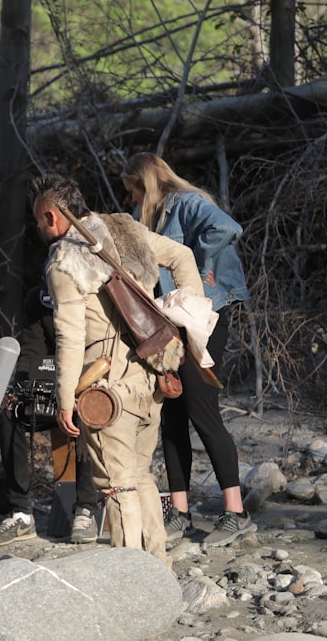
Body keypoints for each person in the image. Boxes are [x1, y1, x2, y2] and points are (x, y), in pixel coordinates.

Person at [31, 173, 204, 564]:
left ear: (53, 217)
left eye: (40, 219)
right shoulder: (125, 228)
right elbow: (183, 257)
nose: (39, 227)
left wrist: (63, 399)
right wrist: (191, 313)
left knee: (116, 484)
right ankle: (157, 568)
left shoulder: (64, 262)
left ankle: (129, 578)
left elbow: (71, 338)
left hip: (105, 388)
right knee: (140, 474)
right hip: (152, 375)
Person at [122, 152, 255, 547]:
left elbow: (228, 227)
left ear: (143, 183)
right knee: (172, 411)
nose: (129, 199)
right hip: (173, 321)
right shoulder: (157, 214)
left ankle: (237, 512)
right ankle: (180, 512)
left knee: (201, 408)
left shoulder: (187, 204)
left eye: (131, 190)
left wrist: (197, 267)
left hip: (205, 316)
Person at [0, 285, 100, 546]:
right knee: (9, 414)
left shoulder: (94, 294)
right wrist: (23, 388)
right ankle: (21, 513)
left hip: (89, 384)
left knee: (89, 414)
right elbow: (31, 350)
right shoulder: (38, 297)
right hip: (49, 385)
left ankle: (86, 509)